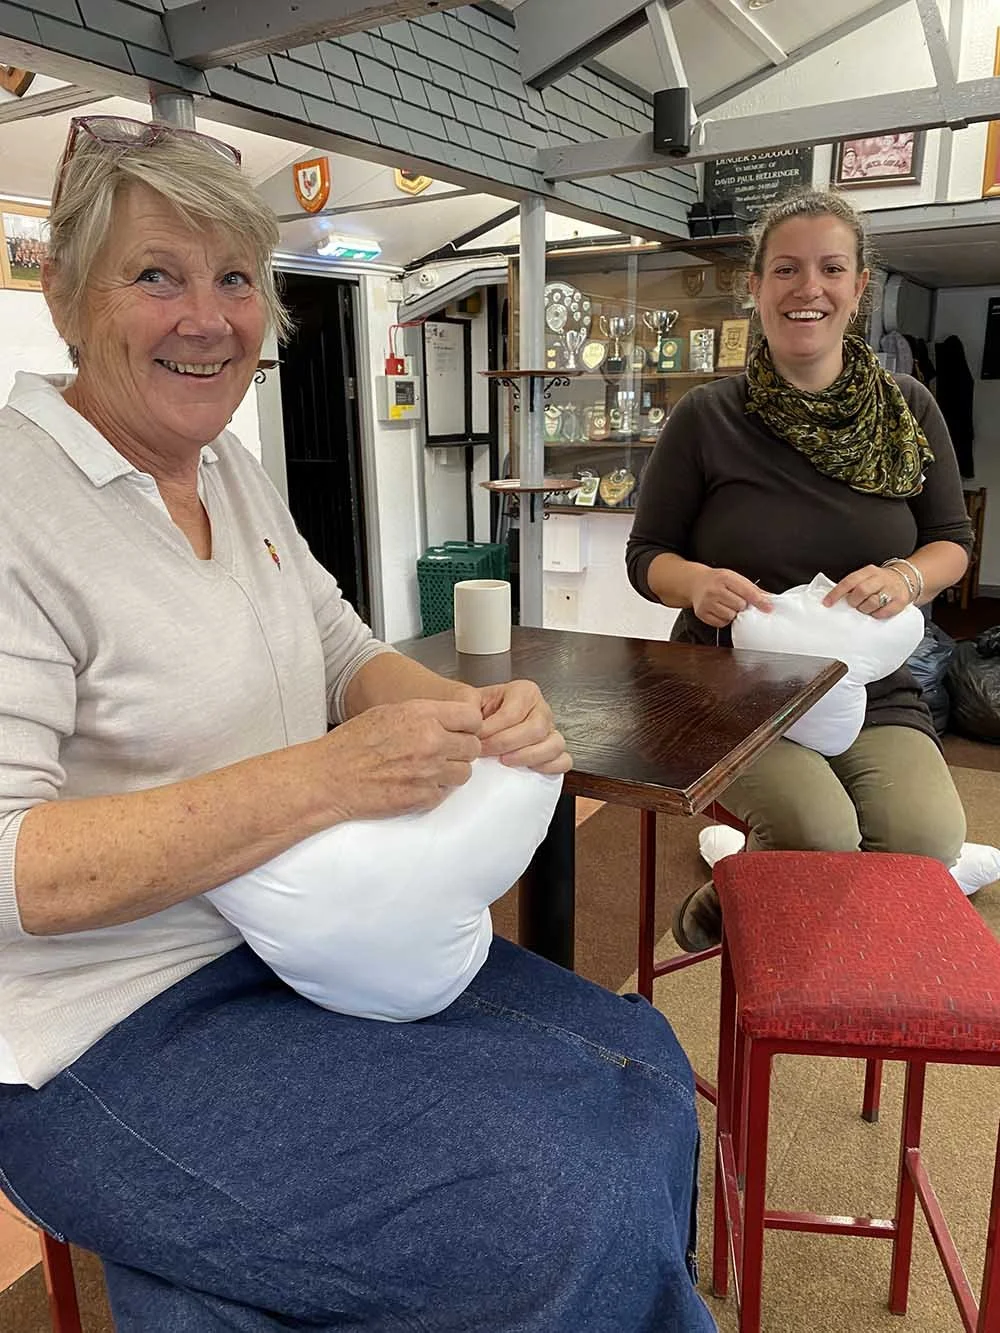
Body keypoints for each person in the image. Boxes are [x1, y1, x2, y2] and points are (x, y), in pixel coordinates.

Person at [0, 115, 715, 1332]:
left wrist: (472, 712)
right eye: (156, 275)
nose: (207, 317)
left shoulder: (225, 467)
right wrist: (326, 781)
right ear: (64, 291)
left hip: (295, 948)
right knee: (562, 1193)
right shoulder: (20, 500)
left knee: (644, 1071)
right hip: (98, 1039)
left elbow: (340, 650)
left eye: (235, 278)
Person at [626, 187, 972, 953]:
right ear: (754, 288)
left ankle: (776, 894)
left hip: (867, 682)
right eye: (785, 270)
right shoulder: (706, 416)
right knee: (819, 830)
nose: (806, 288)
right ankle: (736, 900)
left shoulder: (910, 408)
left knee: (927, 836)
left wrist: (907, 577)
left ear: (858, 288)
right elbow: (646, 556)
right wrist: (697, 585)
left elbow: (951, 541)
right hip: (731, 686)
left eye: (830, 269)